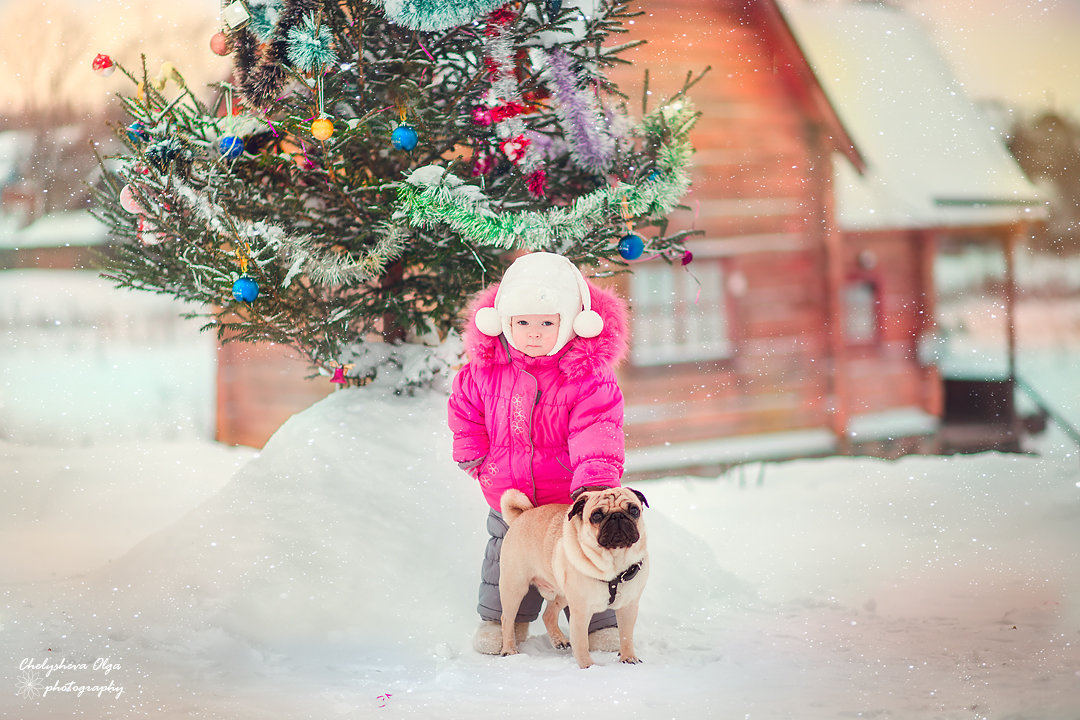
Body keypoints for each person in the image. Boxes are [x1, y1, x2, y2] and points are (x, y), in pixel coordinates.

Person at [447, 251, 630, 655]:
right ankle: (502, 621)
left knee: (587, 555)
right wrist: (474, 452)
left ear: (571, 322)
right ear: (502, 322)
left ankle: (598, 623)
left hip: (568, 494)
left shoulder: (587, 375)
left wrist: (596, 482)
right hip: (509, 491)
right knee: (506, 557)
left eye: (547, 323)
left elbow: (597, 427)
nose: (534, 333)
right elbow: (465, 409)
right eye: (522, 322)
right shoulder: (485, 368)